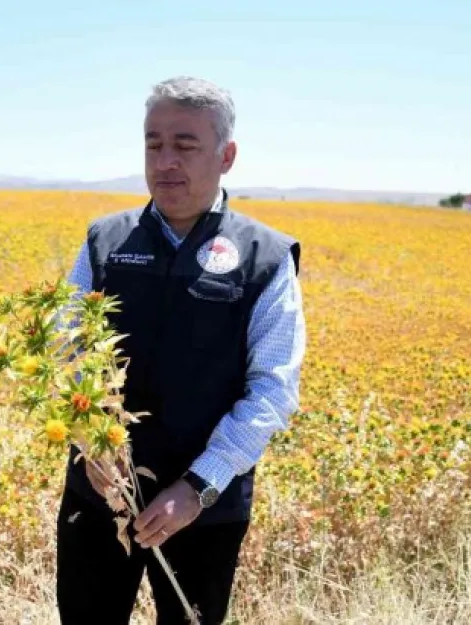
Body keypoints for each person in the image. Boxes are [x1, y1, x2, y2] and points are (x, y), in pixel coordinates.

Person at [55, 75, 306, 625]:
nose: (165, 160)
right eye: (154, 143)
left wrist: (197, 487)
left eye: (185, 145)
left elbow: (272, 388)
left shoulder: (264, 256)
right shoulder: (105, 241)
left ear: (227, 156)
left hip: (203, 511)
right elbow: (66, 351)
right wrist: (93, 450)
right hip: (98, 493)